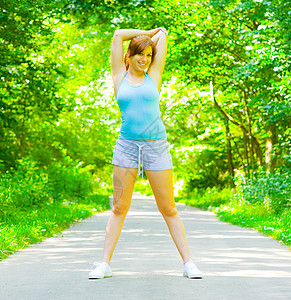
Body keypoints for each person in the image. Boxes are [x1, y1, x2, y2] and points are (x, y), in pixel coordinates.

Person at [89, 28, 202, 279]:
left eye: (149, 55)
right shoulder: (119, 75)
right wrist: (148, 32)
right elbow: (117, 34)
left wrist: (156, 34)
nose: (145, 59)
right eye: (139, 54)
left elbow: (163, 35)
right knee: (119, 207)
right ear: (129, 55)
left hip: (156, 147)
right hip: (126, 147)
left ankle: (188, 264)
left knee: (169, 208)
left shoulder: (154, 76)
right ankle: (104, 264)